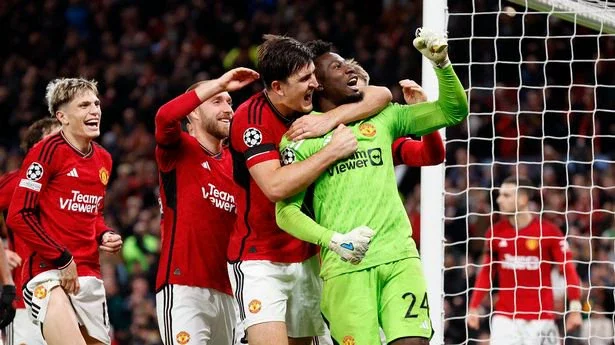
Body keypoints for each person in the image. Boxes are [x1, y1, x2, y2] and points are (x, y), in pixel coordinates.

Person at [275, 28, 468, 345]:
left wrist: (442, 65)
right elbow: (286, 213)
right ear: (318, 83)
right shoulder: (301, 138)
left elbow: (452, 111)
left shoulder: (383, 119)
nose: (349, 68)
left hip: (399, 256)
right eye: (337, 67)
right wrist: (334, 240)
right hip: (346, 268)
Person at [228, 34, 392, 345]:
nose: (314, 84)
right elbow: (275, 187)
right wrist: (331, 151)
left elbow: (381, 95)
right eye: (304, 78)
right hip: (260, 258)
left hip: (309, 257)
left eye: (313, 75)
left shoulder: (308, 105)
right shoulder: (251, 119)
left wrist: (328, 119)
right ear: (278, 87)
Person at [7, 78, 123, 345]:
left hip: (89, 274)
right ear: (62, 117)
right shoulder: (46, 152)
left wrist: (104, 234)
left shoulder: (103, 158)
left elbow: (93, 213)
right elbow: (19, 214)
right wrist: (63, 259)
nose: (95, 110)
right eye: (83, 105)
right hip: (49, 271)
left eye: (96, 103)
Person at [154, 67, 259, 345]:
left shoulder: (237, 164)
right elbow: (164, 117)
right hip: (184, 287)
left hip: (230, 292)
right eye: (217, 101)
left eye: (229, 102)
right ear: (194, 113)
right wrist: (221, 83)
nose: (227, 109)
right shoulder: (179, 149)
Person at [467, 176, 583, 345]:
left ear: (522, 199)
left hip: (542, 319)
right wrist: (474, 306)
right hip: (505, 319)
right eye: (500, 195)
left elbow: (568, 269)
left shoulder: (549, 232)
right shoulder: (495, 232)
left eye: (506, 196)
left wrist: (575, 309)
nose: (499, 200)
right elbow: (486, 271)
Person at [0, 117, 61, 345]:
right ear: (37, 146)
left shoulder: (68, 183)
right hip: (26, 300)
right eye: (56, 138)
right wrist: (3, 253)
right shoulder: (18, 182)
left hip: (66, 295)